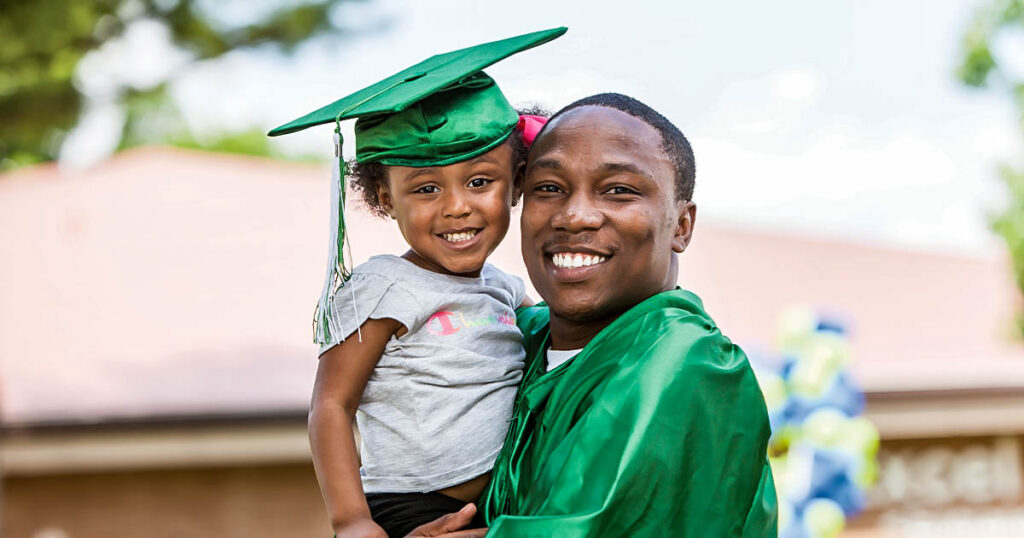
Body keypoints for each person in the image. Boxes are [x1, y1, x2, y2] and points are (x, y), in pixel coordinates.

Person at [409, 93, 777, 537]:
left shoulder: (689, 361)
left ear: (681, 226)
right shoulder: (510, 338)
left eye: (618, 190)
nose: (574, 216)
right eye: (548, 189)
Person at [267, 28, 567, 538]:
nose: (456, 206)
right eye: (426, 188)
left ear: (516, 182)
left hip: (505, 502)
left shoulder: (507, 288)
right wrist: (352, 520)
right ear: (384, 200)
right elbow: (332, 405)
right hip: (409, 507)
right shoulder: (382, 287)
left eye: (479, 181)